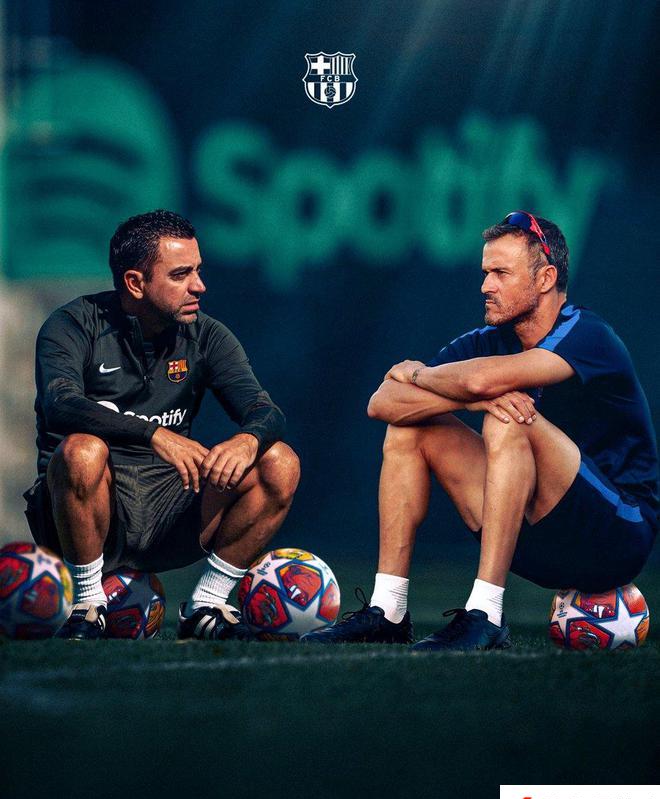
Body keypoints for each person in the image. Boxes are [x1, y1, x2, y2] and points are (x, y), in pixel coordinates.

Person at [301, 211, 658, 650]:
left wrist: (420, 375)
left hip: (615, 537)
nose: (486, 286)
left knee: (510, 419)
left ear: (545, 278)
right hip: (535, 539)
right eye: (486, 273)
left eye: (501, 273)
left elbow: (481, 381)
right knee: (409, 428)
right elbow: (383, 403)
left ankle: (486, 612)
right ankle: (388, 611)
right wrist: (467, 399)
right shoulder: (488, 340)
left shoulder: (588, 334)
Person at [24, 210, 300, 640]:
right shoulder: (72, 325)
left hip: (170, 507)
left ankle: (207, 605)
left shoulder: (208, 336)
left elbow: (266, 411)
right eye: (181, 274)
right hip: (82, 512)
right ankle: (87, 605)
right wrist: (153, 434)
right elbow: (60, 404)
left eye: (198, 270)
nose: (199, 286)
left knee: (279, 461)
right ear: (135, 283)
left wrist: (248, 440)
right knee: (82, 450)